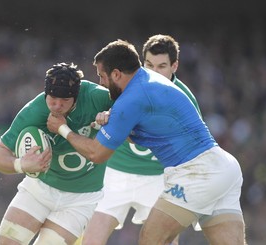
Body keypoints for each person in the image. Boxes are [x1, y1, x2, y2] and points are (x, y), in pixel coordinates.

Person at [47, 40, 246, 245]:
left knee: (151, 238)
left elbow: (97, 154)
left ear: (116, 74)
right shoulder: (150, 81)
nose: (101, 83)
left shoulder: (131, 99)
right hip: (224, 167)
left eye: (102, 76)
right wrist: (114, 126)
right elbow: (150, 131)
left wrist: (63, 129)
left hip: (196, 173)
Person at [80, 34, 201, 245]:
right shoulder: (123, 84)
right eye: (149, 64)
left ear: (175, 66)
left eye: (162, 66)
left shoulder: (183, 98)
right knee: (91, 239)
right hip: (116, 173)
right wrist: (100, 119)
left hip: (158, 179)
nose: (154, 72)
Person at [0, 62, 114, 245]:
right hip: (38, 190)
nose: (57, 105)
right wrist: (21, 164)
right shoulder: (35, 111)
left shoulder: (97, 97)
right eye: (52, 99)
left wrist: (113, 114)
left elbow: (135, 109)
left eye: (65, 100)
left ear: (76, 97)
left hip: (80, 199)